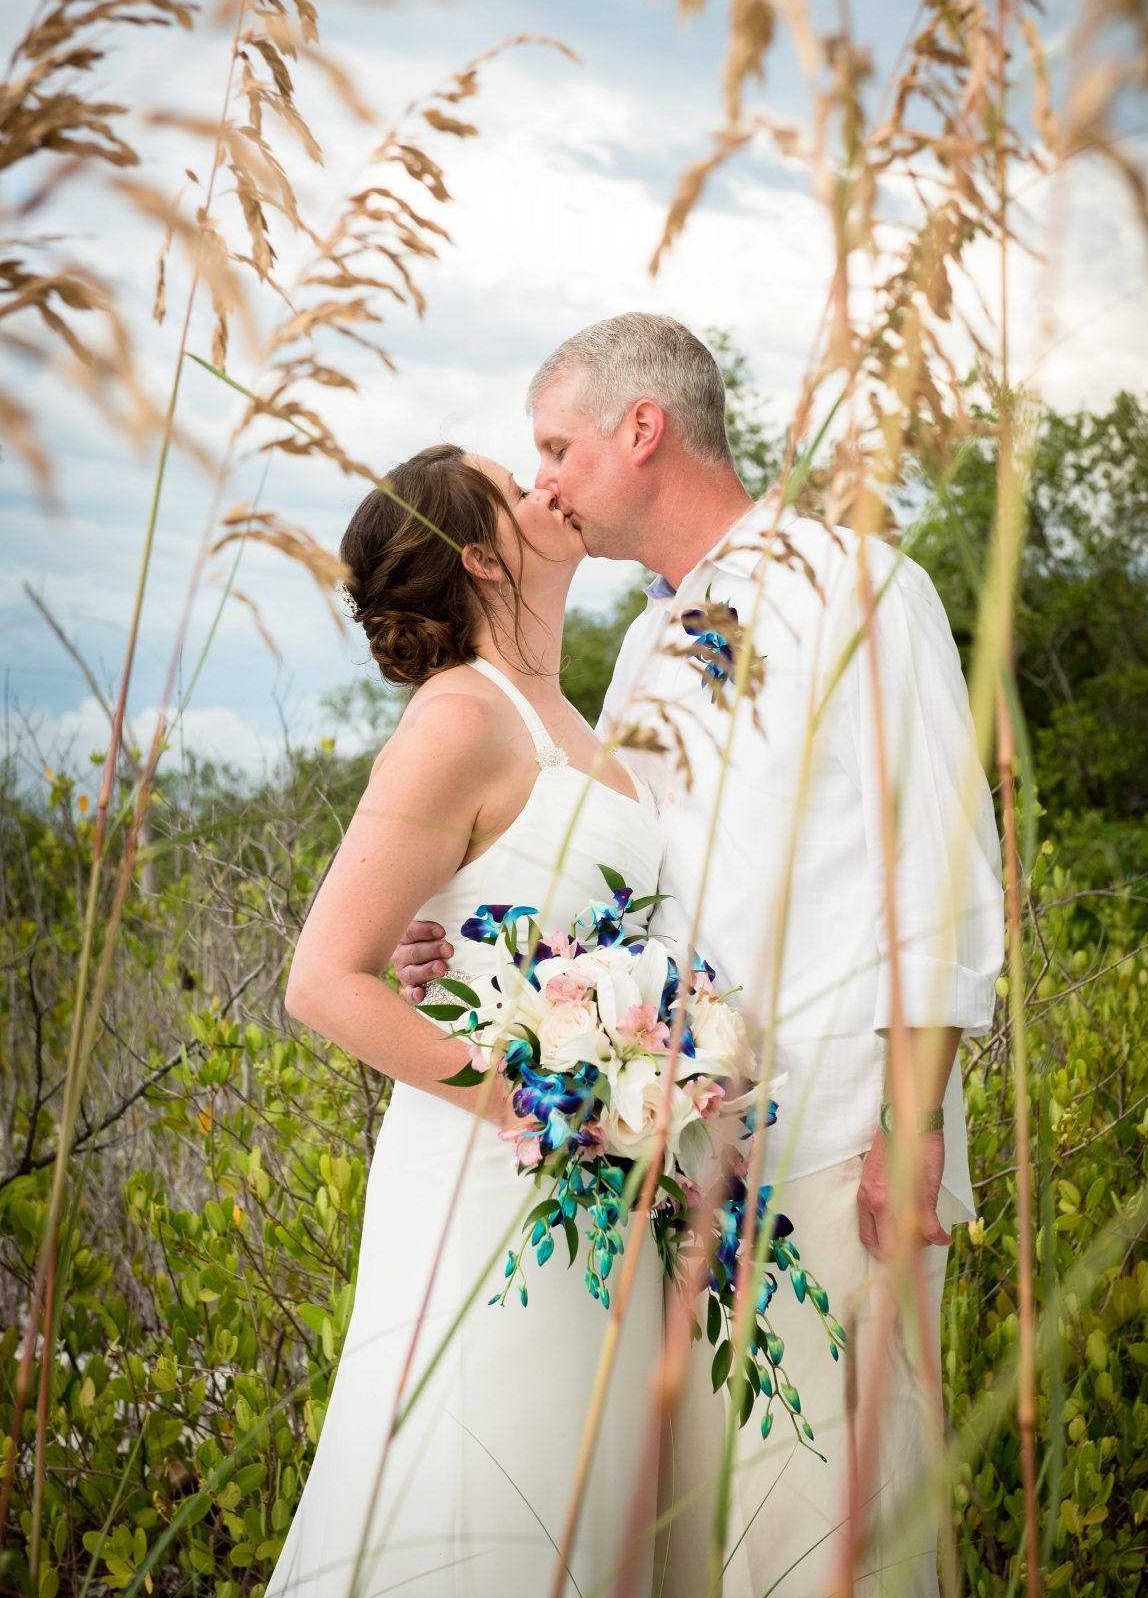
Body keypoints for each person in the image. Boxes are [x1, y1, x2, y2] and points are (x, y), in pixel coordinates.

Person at [394, 315, 1005, 1595]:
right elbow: (624, 883)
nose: (543, 480)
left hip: (839, 1142)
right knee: (713, 1535)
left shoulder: (862, 586)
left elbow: (936, 867)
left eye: (555, 446)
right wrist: (465, 946)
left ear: (641, 428)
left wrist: (908, 1125)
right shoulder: (635, 653)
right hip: (686, 1167)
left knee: (842, 1511)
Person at [268, 444, 665, 1598]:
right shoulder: (458, 720)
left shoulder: (561, 711)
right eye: (517, 484)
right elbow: (322, 978)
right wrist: (527, 1101)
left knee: (572, 1509)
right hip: (494, 1175)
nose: (552, 486)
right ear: (484, 556)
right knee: (483, 1489)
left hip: (595, 1181)